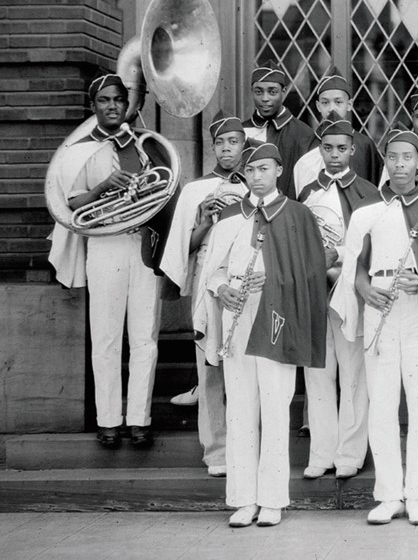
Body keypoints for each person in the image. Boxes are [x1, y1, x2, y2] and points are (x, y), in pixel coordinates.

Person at [330, 129, 418, 526]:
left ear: (417, 161)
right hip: (379, 305)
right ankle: (389, 494)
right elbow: (353, 266)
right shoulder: (366, 209)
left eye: (407, 158)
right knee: (382, 403)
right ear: (385, 161)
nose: (400, 165)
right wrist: (364, 290)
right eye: (392, 157)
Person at [195, 142, 328, 528]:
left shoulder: (298, 215)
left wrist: (272, 281)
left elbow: (311, 275)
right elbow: (214, 271)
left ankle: (271, 500)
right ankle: (242, 499)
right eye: (250, 170)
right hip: (237, 317)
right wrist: (222, 289)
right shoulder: (231, 216)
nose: (256, 176)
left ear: (279, 170)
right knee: (240, 410)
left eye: (264, 169)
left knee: (273, 410)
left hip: (277, 319)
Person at [47, 73, 164, 449]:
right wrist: (102, 188)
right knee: (107, 337)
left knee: (145, 338)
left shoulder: (143, 145)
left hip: (142, 244)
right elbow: (71, 204)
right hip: (106, 244)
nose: (113, 106)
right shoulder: (81, 149)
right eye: (104, 101)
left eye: (118, 100)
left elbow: (161, 191)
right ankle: (109, 420)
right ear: (93, 105)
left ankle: (139, 419)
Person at [159, 111, 249, 475]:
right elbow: (185, 247)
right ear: (212, 147)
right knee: (209, 367)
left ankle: (245, 444)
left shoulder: (252, 184)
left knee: (243, 365)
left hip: (243, 280)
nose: (227, 149)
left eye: (234, 142)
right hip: (207, 280)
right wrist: (203, 220)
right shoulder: (196, 189)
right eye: (221, 143)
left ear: (244, 146)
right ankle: (216, 451)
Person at [296, 114, 381, 480]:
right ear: (319, 149)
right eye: (327, 148)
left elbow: (376, 247)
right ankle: (322, 452)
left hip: (350, 292)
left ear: (353, 149)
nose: (334, 156)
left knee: (353, 374)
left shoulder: (368, 193)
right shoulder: (305, 194)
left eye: (342, 149)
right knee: (317, 373)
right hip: (314, 293)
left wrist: (342, 255)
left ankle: (350, 452)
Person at [292, 66, 383, 190]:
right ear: (318, 106)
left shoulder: (364, 144)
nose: (331, 108)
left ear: (349, 104)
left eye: (338, 102)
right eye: (325, 103)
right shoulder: (304, 144)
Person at [242, 64, 317, 199]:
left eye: (272, 92)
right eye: (259, 92)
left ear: (283, 92)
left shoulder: (303, 134)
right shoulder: (241, 131)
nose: (265, 98)